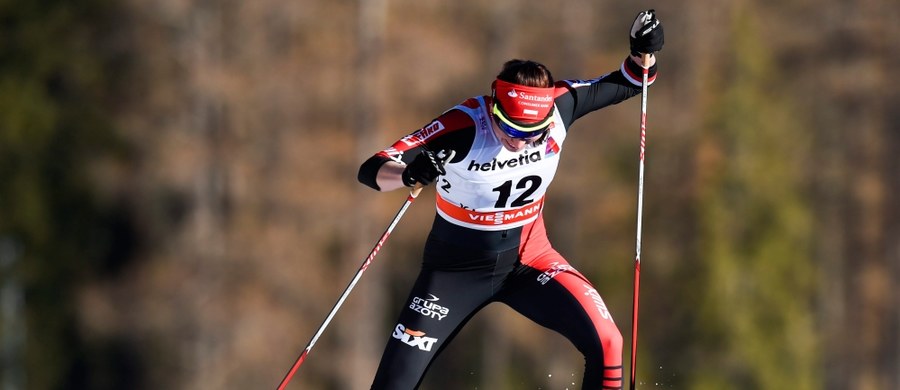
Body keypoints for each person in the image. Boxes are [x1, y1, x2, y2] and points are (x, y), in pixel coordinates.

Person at [357, 9, 664, 390]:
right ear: (494, 107)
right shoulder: (465, 125)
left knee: (608, 342)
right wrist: (406, 174)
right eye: (509, 126)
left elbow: (633, 80)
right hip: (454, 272)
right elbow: (372, 169)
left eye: (532, 133)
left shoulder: (561, 106)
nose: (519, 140)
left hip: (529, 260)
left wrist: (643, 50)